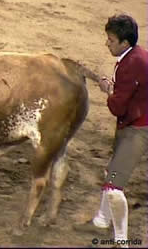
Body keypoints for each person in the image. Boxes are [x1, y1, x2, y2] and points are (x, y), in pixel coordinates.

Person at [74, 14, 148, 248]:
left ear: (124, 43)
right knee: (111, 174)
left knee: (114, 186)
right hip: (134, 123)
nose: (107, 43)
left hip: (137, 129)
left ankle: (122, 242)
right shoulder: (135, 56)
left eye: (111, 40)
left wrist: (108, 90)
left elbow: (117, 107)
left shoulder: (132, 63)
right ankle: (101, 221)